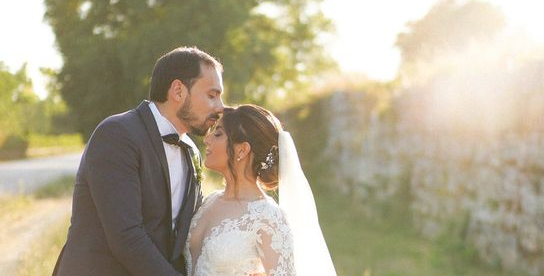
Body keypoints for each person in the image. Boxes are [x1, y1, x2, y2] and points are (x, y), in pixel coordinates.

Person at [53, 46, 225, 276]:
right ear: (177, 91)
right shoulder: (117, 134)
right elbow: (126, 236)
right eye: (212, 95)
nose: (220, 107)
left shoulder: (192, 151)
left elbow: (184, 238)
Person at [186, 104, 336, 276]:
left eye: (218, 133)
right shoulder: (209, 201)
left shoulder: (268, 217)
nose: (207, 139)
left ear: (242, 150)